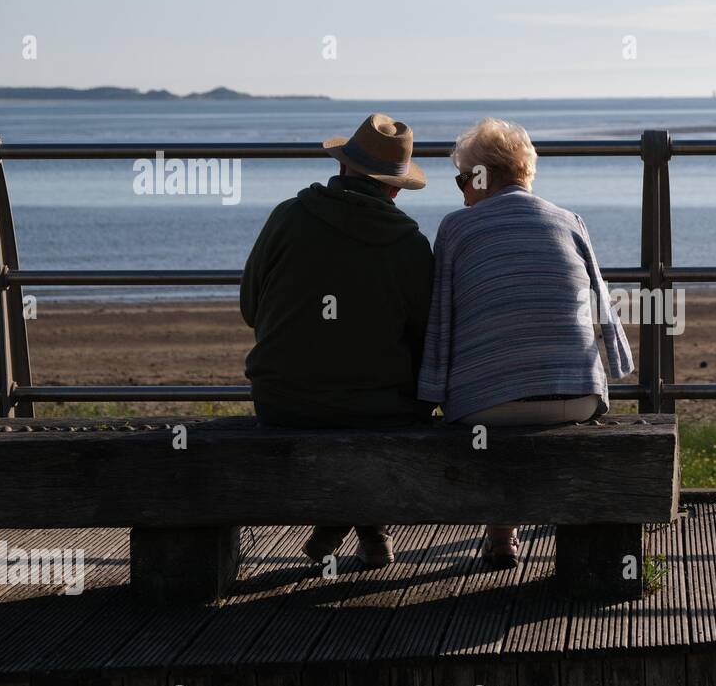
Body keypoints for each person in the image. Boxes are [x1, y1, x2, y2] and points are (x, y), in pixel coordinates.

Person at [419, 118, 634, 569]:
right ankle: (520, 534)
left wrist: (432, 394)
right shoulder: (569, 220)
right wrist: (618, 366)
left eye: (463, 179)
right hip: (576, 398)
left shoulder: (456, 228)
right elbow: (602, 306)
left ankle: (501, 534)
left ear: (482, 176)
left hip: (487, 404)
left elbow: (439, 316)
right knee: (522, 403)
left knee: (497, 408)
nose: (461, 192)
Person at [241, 113, 435, 569]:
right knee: (382, 410)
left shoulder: (287, 217)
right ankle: (366, 524)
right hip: (382, 411)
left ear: (344, 167)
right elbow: (427, 341)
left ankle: (344, 523)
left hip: (282, 403)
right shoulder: (409, 244)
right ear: (394, 187)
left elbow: (251, 309)